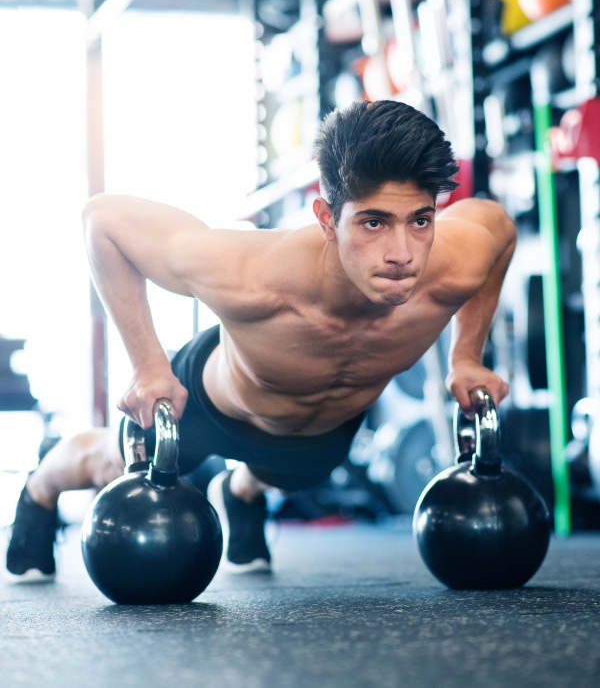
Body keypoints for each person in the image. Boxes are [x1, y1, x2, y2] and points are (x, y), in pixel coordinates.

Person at [6, 100, 515, 582]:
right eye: (373, 222)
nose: (402, 253)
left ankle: (240, 489)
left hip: (323, 435)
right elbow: (102, 219)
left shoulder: (459, 260)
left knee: (289, 477)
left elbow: (500, 228)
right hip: (206, 408)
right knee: (109, 464)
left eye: (420, 221)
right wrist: (147, 365)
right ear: (326, 219)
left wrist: (465, 357)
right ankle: (40, 489)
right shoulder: (251, 276)